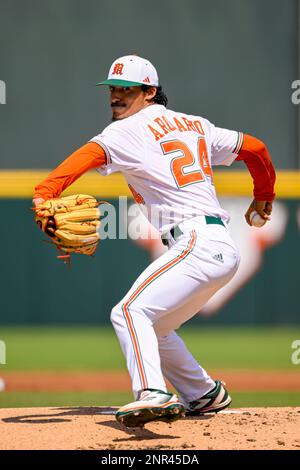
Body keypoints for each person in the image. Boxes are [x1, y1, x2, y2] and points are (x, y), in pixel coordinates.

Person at [33, 55, 276, 428]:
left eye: (125, 89)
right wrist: (264, 195)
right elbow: (256, 149)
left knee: (129, 312)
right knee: (157, 326)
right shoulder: (195, 124)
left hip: (195, 242)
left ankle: (152, 392)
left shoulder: (123, 131)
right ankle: (204, 393)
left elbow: (85, 158)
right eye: (112, 88)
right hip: (217, 245)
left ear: (149, 92)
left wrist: (44, 192)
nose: (115, 96)